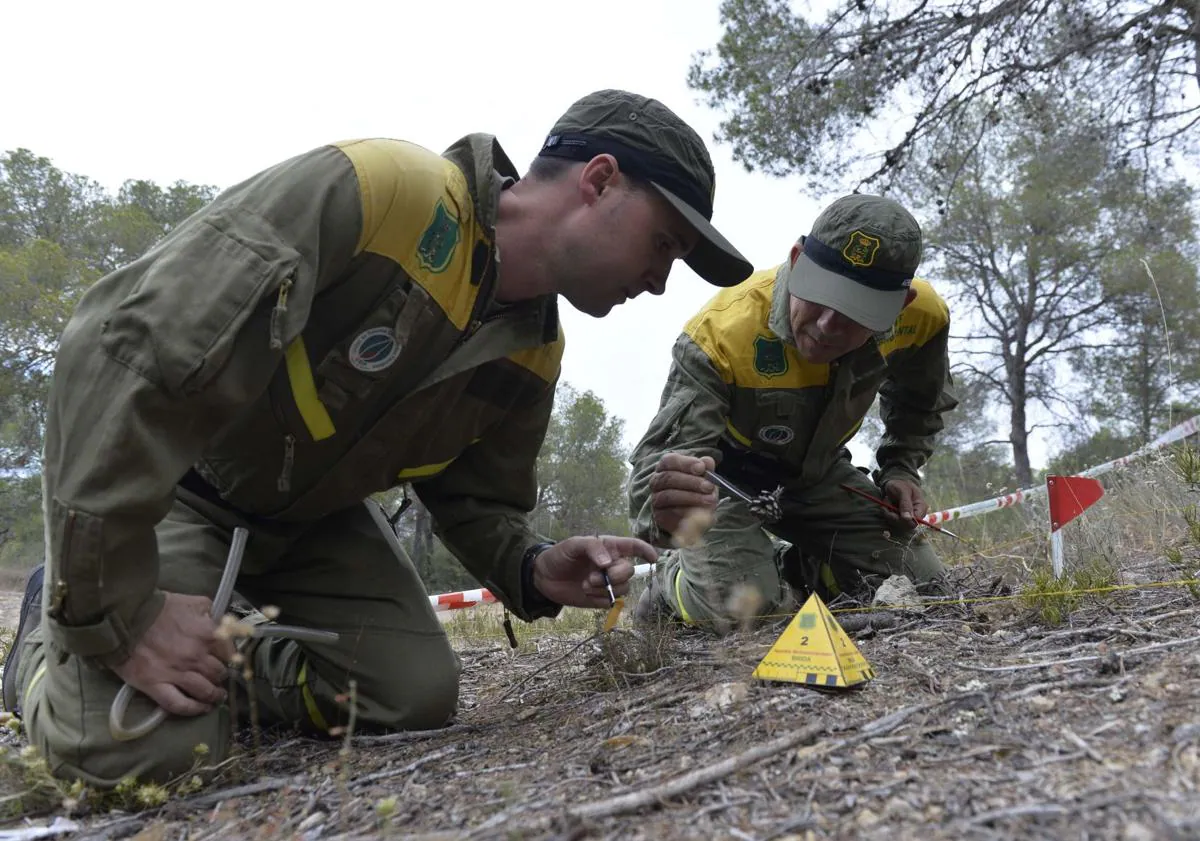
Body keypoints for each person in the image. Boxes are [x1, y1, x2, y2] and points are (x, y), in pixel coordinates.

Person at [0, 89, 753, 787]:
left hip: (311, 526)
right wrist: (114, 606)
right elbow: (120, 346)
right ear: (598, 180)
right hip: (187, 495)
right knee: (137, 751)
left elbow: (474, 498)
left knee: (412, 691)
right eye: (664, 245)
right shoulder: (383, 195)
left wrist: (532, 564)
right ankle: (50, 626)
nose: (659, 282)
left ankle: (209, 647)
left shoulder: (536, 349)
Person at [628, 194, 958, 634]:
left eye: (854, 314)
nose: (825, 326)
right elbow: (661, 465)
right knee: (747, 612)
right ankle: (674, 585)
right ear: (797, 259)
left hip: (818, 474)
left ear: (899, 306)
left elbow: (920, 401)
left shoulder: (923, 319)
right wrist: (670, 516)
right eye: (819, 298)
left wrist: (901, 470)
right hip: (723, 483)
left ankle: (796, 569)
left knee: (923, 584)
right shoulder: (721, 334)